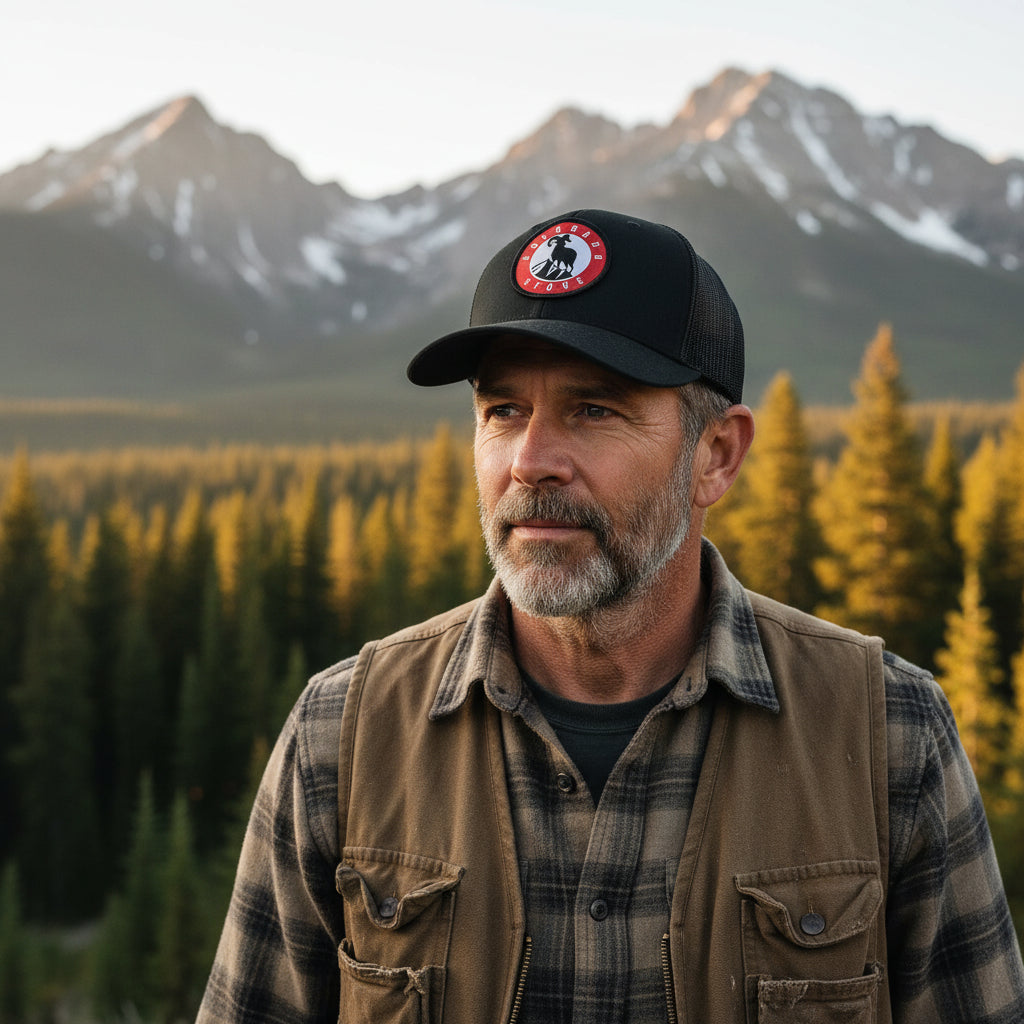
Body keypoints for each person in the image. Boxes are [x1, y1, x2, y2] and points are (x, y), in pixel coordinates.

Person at [197, 209, 1024, 1023]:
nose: (531, 460)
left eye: (594, 409)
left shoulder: (889, 732)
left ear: (717, 454)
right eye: (502, 411)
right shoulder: (344, 731)